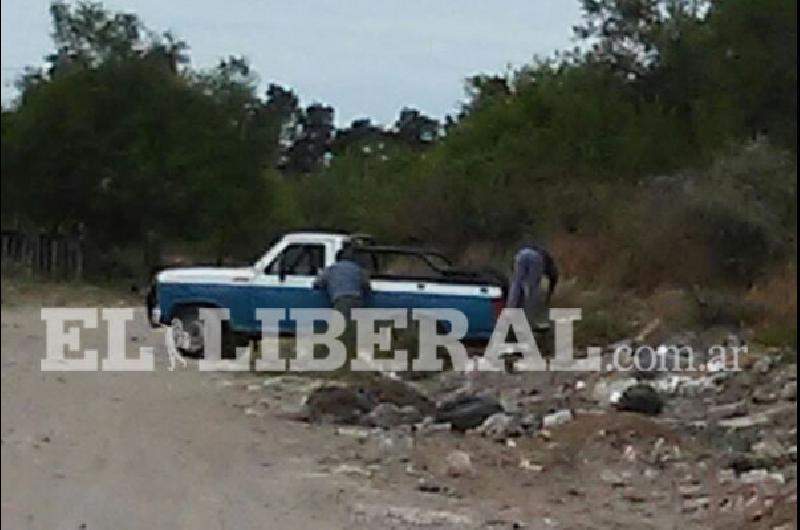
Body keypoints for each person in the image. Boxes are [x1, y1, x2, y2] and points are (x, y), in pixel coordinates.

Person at [313, 246, 371, 350]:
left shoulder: (331, 269)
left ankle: (327, 349)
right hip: (357, 300)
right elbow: (367, 286)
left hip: (341, 300)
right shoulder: (358, 269)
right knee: (354, 327)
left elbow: (318, 284)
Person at [506, 241, 559, 330]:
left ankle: (509, 317)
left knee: (516, 287)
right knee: (532, 291)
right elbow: (553, 279)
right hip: (535, 257)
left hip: (521, 254)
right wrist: (549, 296)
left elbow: (514, 272)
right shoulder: (550, 265)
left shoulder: (541, 254)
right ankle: (529, 322)